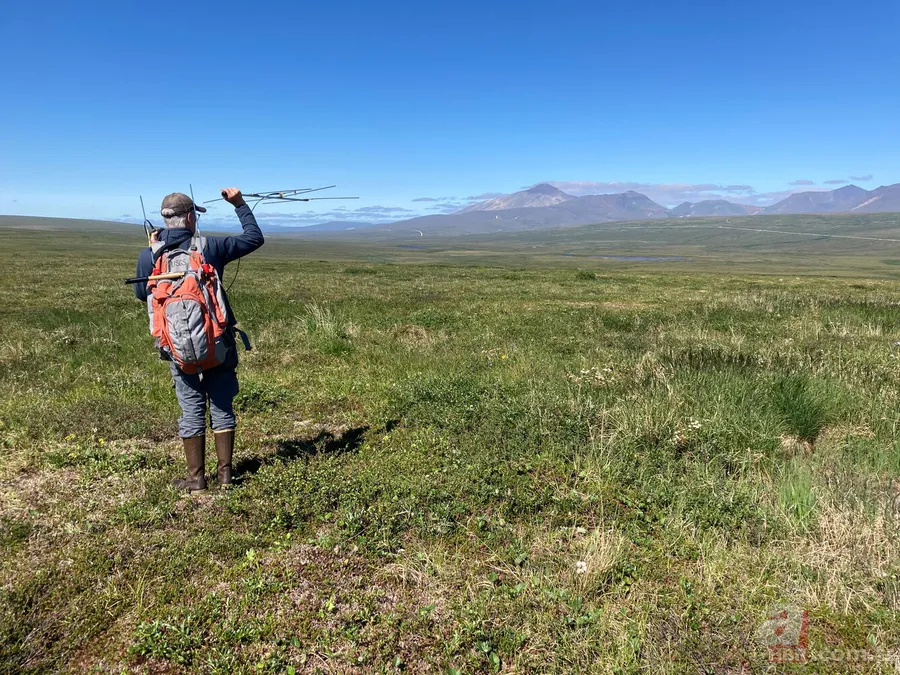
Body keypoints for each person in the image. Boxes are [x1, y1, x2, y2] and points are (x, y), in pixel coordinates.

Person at [134, 188, 264, 492]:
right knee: (221, 402)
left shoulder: (149, 254)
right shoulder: (211, 246)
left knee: (191, 406)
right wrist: (239, 204)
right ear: (190, 217)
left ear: (166, 220)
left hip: (176, 347)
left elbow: (143, 294)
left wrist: (152, 253)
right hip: (218, 341)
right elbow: (254, 238)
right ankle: (226, 475)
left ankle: (196, 478)